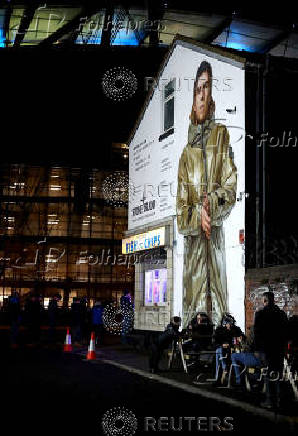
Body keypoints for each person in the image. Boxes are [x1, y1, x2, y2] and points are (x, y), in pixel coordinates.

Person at [176, 60, 237, 328]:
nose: (202, 94)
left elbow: (230, 187)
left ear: (211, 97)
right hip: (193, 256)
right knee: (195, 315)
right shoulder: (185, 155)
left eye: (207, 88)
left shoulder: (221, 136)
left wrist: (209, 204)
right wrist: (195, 215)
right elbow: (180, 213)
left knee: (219, 312)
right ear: (192, 99)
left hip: (215, 241)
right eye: (198, 89)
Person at [253, 291, 288, 409]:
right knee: (278, 374)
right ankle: (279, 400)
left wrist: (256, 349)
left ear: (264, 300)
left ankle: (269, 400)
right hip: (279, 349)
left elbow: (257, 334)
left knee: (268, 374)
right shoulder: (281, 314)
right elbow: (285, 333)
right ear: (274, 300)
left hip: (266, 349)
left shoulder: (260, 314)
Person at [214, 313, 244, 384]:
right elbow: (216, 341)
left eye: (230, 324)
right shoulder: (220, 330)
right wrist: (222, 344)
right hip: (223, 349)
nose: (228, 325)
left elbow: (242, 337)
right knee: (218, 351)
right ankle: (222, 371)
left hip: (234, 349)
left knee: (221, 353)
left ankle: (237, 380)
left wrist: (241, 338)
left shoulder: (236, 329)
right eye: (227, 324)